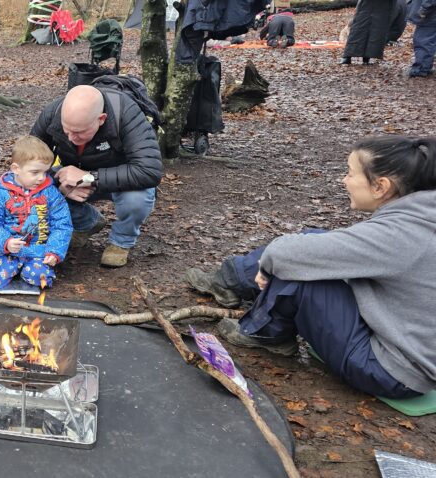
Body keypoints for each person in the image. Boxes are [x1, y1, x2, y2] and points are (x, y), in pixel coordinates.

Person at [186, 136, 436, 399]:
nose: (344, 180)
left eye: (350, 173)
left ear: (380, 187)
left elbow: (286, 255)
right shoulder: (423, 216)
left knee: (300, 272)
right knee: (312, 242)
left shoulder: (399, 235)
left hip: (389, 371)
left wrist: (269, 268)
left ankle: (265, 334)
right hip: (401, 345)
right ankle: (231, 281)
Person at [29, 85, 162, 268]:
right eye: (66, 130)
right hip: (75, 175)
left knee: (137, 198)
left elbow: (149, 171)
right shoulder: (52, 113)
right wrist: (58, 179)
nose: (71, 137)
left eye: (79, 132)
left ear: (101, 119)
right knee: (36, 188)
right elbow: (28, 163)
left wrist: (88, 177)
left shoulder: (127, 114)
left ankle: (121, 242)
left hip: (120, 179)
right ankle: (86, 222)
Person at [0, 136, 73, 289]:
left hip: (38, 251)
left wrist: (54, 251)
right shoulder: (0, 195)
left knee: (40, 279)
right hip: (7, 252)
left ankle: (27, 271)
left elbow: (62, 225)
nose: (41, 178)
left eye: (45, 172)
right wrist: (6, 242)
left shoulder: (51, 194)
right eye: (35, 172)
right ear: (16, 169)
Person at [340, 0, 394, 65]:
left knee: (376, 30)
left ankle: (367, 57)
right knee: (358, 29)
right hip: (367, 5)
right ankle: (348, 56)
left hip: (382, 6)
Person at [408, 0, 436, 77]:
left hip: (430, 15)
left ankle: (420, 69)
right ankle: (425, 67)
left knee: (423, 41)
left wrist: (424, 9)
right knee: (428, 41)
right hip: (431, 13)